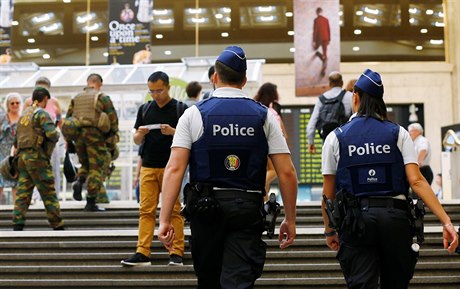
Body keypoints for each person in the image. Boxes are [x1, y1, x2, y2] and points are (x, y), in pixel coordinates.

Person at [157, 46, 298, 288]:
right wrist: (291, 219)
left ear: (214, 77)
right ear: (244, 80)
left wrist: (165, 219)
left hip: (205, 211)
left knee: (209, 280)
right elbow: (286, 172)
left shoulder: (193, 115)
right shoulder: (265, 116)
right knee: (239, 281)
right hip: (247, 210)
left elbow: (174, 169)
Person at [321, 68, 458, 289]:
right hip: (396, 219)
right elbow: (417, 181)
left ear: (355, 97)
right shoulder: (399, 133)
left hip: (356, 222)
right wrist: (446, 221)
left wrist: (329, 230)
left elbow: (328, 194)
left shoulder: (336, 137)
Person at [121, 71, 186, 267]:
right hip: (148, 166)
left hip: (171, 168)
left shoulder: (179, 109)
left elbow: (189, 138)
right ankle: (142, 251)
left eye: (159, 90)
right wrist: (139, 134)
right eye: (152, 91)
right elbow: (136, 140)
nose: (156, 94)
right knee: (146, 210)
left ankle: (176, 251)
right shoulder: (145, 109)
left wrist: (173, 132)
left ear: (167, 87)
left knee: (174, 210)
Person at [65, 73, 119, 211]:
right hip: (95, 136)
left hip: (78, 136)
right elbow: (112, 117)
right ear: (99, 84)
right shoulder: (101, 97)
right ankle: (91, 202)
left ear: (88, 82)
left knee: (85, 164)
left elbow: (68, 118)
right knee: (97, 167)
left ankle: (79, 181)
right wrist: (112, 135)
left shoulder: (76, 98)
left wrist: (70, 140)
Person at [13, 87, 64, 231]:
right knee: (48, 191)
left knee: (23, 191)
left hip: (22, 158)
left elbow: (16, 140)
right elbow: (52, 135)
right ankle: (57, 223)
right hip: (37, 158)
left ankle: (18, 222)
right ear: (46, 99)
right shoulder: (41, 114)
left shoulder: (24, 114)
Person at [24, 77, 63, 202]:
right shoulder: (28, 102)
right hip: (34, 141)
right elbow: (23, 122)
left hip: (51, 142)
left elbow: (60, 121)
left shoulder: (54, 102)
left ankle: (53, 196)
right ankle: (35, 197)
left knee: (53, 168)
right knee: (34, 169)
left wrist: (66, 139)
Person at [253, 82, 288, 199]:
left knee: (264, 172)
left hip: (255, 145)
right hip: (270, 146)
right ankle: (260, 184)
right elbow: (282, 133)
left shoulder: (255, 107)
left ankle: (264, 202)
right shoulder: (272, 111)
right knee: (273, 171)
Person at [306, 71, 352, 153]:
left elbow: (311, 124)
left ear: (330, 84)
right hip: (346, 139)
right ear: (342, 82)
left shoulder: (321, 99)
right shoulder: (349, 96)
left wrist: (311, 142)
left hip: (328, 139)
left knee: (328, 164)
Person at [0, 92, 21, 205]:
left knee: (15, 181)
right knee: (0, 180)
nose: (14, 105)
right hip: (2, 151)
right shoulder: (2, 117)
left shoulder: (22, 118)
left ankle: (16, 210)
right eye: (12, 103)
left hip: (16, 152)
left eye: (17, 103)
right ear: (7, 105)